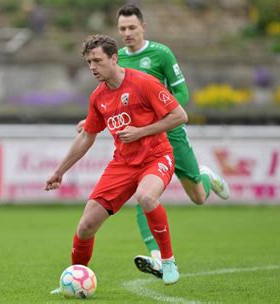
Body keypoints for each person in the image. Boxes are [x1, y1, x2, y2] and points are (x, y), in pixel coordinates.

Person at [76, 4, 230, 279]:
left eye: (132, 27)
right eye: (122, 28)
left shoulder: (160, 53)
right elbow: (112, 103)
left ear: (143, 27)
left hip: (169, 132)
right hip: (136, 142)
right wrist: (95, 121)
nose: (127, 33)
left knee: (197, 197)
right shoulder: (114, 59)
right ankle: (159, 256)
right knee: (144, 195)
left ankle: (205, 177)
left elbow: (180, 93)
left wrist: (154, 117)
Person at [47, 34, 187, 292]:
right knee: (86, 225)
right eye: (89, 62)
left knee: (146, 197)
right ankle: (74, 278)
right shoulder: (98, 96)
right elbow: (87, 136)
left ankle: (168, 261)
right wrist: (59, 171)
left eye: (97, 60)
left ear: (114, 58)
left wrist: (141, 131)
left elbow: (180, 116)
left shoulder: (145, 83)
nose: (92, 67)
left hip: (156, 156)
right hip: (123, 164)